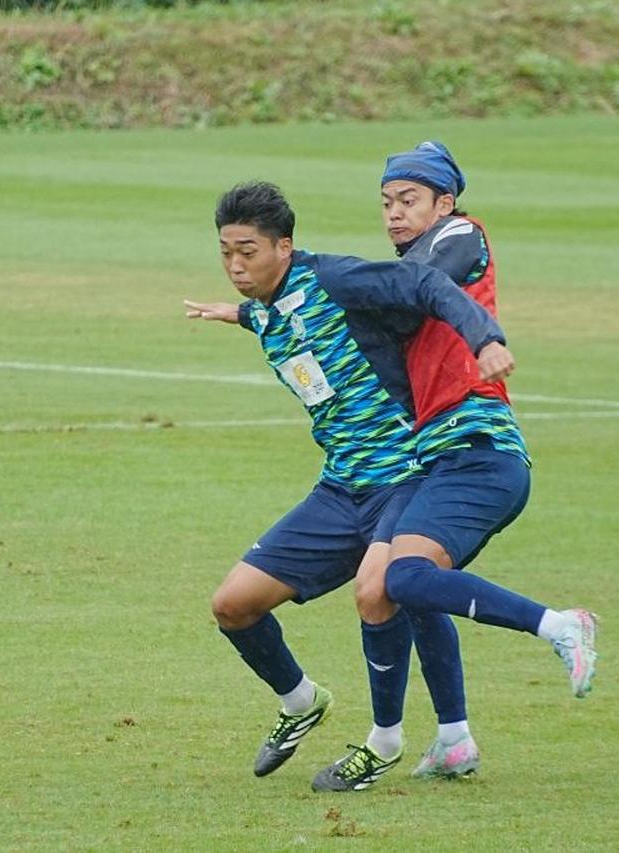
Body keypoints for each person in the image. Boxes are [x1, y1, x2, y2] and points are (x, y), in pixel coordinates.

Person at [184, 180, 515, 781]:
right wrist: (239, 314)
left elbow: (424, 285)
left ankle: (386, 742)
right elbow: (280, 316)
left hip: (407, 475)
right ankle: (301, 702)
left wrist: (485, 338)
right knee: (233, 605)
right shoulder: (266, 308)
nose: (235, 265)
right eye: (226, 252)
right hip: (341, 488)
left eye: (248, 252)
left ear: (284, 247)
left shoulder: (336, 279)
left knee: (385, 589)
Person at [313, 142, 597, 793]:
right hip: (436, 458)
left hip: (479, 450)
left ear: (444, 202)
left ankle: (559, 625)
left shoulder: (462, 235)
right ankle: (453, 738)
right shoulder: (405, 268)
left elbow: (413, 291)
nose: (393, 212)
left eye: (408, 199)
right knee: (394, 585)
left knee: (407, 576)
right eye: (386, 202)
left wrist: (321, 275)